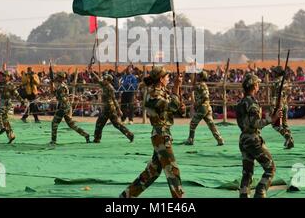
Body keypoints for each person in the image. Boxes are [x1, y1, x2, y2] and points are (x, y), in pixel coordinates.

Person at [120, 67, 185, 198]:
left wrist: (177, 96)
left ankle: (126, 196)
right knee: (173, 171)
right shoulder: (153, 94)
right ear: (161, 79)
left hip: (163, 134)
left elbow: (177, 109)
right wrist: (176, 88)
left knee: (152, 172)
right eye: (167, 77)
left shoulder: (162, 92)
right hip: (160, 135)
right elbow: (172, 106)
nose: (169, 79)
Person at [236, 73, 282, 198]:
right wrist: (271, 119)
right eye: (257, 84)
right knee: (270, 168)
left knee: (247, 173)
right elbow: (256, 123)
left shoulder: (241, 102)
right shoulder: (252, 103)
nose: (258, 86)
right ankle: (260, 192)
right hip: (253, 139)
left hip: (243, 140)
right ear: (254, 86)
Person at [91, 72, 134, 143]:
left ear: (108, 81)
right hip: (106, 108)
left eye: (105, 79)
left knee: (103, 123)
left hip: (110, 108)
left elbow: (114, 99)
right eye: (104, 79)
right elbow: (98, 79)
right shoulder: (104, 85)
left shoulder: (110, 88)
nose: (103, 80)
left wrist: (119, 110)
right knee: (109, 124)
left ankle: (97, 139)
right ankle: (130, 135)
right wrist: (92, 71)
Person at [184, 70, 224, 146]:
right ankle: (220, 139)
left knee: (193, 123)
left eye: (198, 75)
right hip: (206, 107)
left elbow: (205, 97)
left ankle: (190, 140)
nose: (197, 77)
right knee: (211, 124)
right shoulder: (200, 85)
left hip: (203, 108)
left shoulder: (202, 85)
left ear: (201, 77)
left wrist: (197, 103)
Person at [50, 72, 90, 146]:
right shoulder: (60, 85)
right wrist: (51, 84)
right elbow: (53, 92)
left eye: (58, 76)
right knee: (72, 125)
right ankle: (86, 135)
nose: (56, 77)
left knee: (54, 123)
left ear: (61, 78)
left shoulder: (61, 87)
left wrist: (60, 102)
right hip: (65, 107)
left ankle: (53, 141)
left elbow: (62, 98)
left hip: (63, 107)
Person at [0, 71, 23, 144]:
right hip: (1, 102)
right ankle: (11, 136)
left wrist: (22, 101)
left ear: (8, 77)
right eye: (0, 76)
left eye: (3, 76)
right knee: (5, 120)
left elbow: (16, 95)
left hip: (7, 103)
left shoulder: (11, 85)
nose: (1, 77)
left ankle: (1, 128)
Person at [270, 66, 294, 149]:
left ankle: (286, 136)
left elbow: (273, 96)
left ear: (277, 73)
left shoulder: (275, 82)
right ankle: (290, 140)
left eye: (273, 72)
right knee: (285, 124)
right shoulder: (286, 82)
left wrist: (273, 108)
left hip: (278, 105)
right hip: (285, 104)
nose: (272, 73)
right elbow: (289, 91)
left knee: (274, 124)